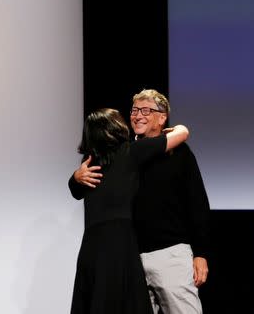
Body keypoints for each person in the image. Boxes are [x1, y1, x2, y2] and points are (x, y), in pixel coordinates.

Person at [73, 89, 211, 314]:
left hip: (170, 254)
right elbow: (82, 185)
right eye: (135, 110)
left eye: (146, 110)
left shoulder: (179, 153)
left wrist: (201, 252)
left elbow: (197, 204)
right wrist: (76, 177)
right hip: (131, 260)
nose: (138, 115)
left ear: (162, 117)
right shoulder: (123, 153)